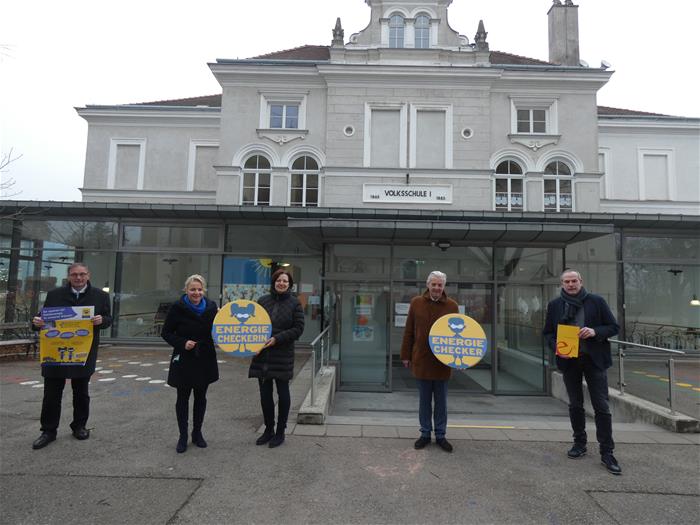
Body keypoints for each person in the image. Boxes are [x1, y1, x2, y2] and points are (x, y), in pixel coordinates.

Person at [543, 269, 622, 475]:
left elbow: (614, 327)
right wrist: (556, 346)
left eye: (574, 281)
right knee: (575, 404)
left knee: (601, 406)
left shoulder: (596, 301)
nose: (571, 284)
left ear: (581, 281)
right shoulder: (555, 305)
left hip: (594, 361)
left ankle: (607, 452)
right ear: (562, 284)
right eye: (567, 281)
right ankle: (579, 443)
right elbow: (548, 333)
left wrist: (595, 331)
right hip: (569, 361)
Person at [31, 262, 112, 449]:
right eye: (75, 274)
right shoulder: (54, 295)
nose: (78, 278)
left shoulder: (100, 296)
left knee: (81, 392)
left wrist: (102, 320)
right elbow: (43, 319)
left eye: (82, 274)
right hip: (55, 352)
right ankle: (48, 431)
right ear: (69, 276)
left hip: (83, 351)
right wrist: (36, 322)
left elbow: (108, 319)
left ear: (88, 275)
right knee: (51, 394)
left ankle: (79, 426)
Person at [400, 270, 459, 453]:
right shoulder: (416, 303)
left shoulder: (452, 306)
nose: (436, 288)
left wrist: (461, 359)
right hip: (422, 360)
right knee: (424, 402)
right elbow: (409, 331)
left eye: (440, 285)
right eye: (434, 284)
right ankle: (425, 433)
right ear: (428, 285)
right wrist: (405, 355)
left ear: (444, 286)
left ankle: (440, 435)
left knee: (441, 403)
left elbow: (459, 336)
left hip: (443, 363)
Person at [161, 274, 219, 453]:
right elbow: (166, 332)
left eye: (200, 289)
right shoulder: (177, 308)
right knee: (182, 399)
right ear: (186, 290)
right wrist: (182, 343)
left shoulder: (212, 307)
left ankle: (197, 433)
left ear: (204, 290)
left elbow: (219, 329)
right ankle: (183, 436)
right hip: (185, 358)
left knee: (201, 398)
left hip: (204, 357)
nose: (196, 293)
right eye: (193, 289)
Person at [249, 268, 305, 448]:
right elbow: (252, 324)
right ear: (274, 282)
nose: (282, 283)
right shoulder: (262, 301)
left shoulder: (295, 303)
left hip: (282, 354)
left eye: (285, 281)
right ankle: (268, 430)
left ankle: (280, 432)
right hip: (263, 355)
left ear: (290, 285)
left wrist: (277, 339)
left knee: (283, 394)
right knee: (265, 395)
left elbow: (298, 329)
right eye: (279, 280)